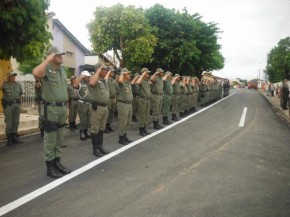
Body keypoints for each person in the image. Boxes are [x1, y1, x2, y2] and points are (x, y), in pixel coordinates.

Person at [32, 46, 71, 178]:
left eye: (61, 54)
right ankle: (50, 167)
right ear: (51, 56)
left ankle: (57, 163)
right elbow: (36, 73)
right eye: (58, 55)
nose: (61, 56)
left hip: (62, 108)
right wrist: (47, 60)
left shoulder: (62, 71)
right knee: (51, 139)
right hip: (51, 109)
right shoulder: (47, 69)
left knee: (60, 137)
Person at [89, 63, 111, 157]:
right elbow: (91, 83)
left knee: (101, 128)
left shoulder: (104, 80)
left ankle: (100, 146)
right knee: (95, 129)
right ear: (99, 70)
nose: (106, 71)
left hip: (104, 107)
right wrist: (98, 71)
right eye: (104, 69)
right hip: (97, 107)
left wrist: (106, 70)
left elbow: (107, 75)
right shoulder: (95, 79)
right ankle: (95, 149)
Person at [0, 71, 23, 146]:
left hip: (17, 105)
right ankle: (9, 139)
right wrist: (3, 78)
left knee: (16, 121)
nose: (13, 77)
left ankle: (15, 137)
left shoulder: (18, 85)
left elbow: (20, 94)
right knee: (9, 122)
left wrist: (19, 104)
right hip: (8, 106)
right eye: (11, 76)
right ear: (8, 77)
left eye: (14, 76)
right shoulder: (5, 84)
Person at [116, 68, 134, 145]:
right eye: (128, 74)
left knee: (127, 122)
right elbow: (120, 81)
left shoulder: (127, 83)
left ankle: (124, 135)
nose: (129, 75)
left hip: (129, 105)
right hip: (123, 104)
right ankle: (121, 138)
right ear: (124, 74)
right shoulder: (121, 83)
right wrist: (122, 73)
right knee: (122, 122)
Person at [73, 71, 92, 141]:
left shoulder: (87, 84)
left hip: (88, 104)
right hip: (82, 104)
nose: (88, 77)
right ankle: (82, 133)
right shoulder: (80, 83)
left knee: (88, 119)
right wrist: (79, 78)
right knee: (83, 119)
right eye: (87, 76)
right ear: (83, 77)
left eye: (89, 76)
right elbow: (74, 86)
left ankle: (86, 131)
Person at [136, 68, 152, 136]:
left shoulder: (147, 80)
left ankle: (144, 129)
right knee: (142, 115)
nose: (148, 74)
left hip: (147, 100)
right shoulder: (141, 80)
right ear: (144, 73)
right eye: (147, 73)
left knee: (146, 115)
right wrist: (142, 75)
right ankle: (141, 130)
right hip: (142, 100)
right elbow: (137, 82)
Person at [104, 68, 117, 133]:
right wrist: (108, 72)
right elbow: (105, 80)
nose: (113, 73)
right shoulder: (106, 79)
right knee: (107, 113)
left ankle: (108, 125)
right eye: (112, 72)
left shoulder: (112, 80)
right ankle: (104, 127)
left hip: (113, 98)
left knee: (111, 113)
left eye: (113, 72)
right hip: (108, 98)